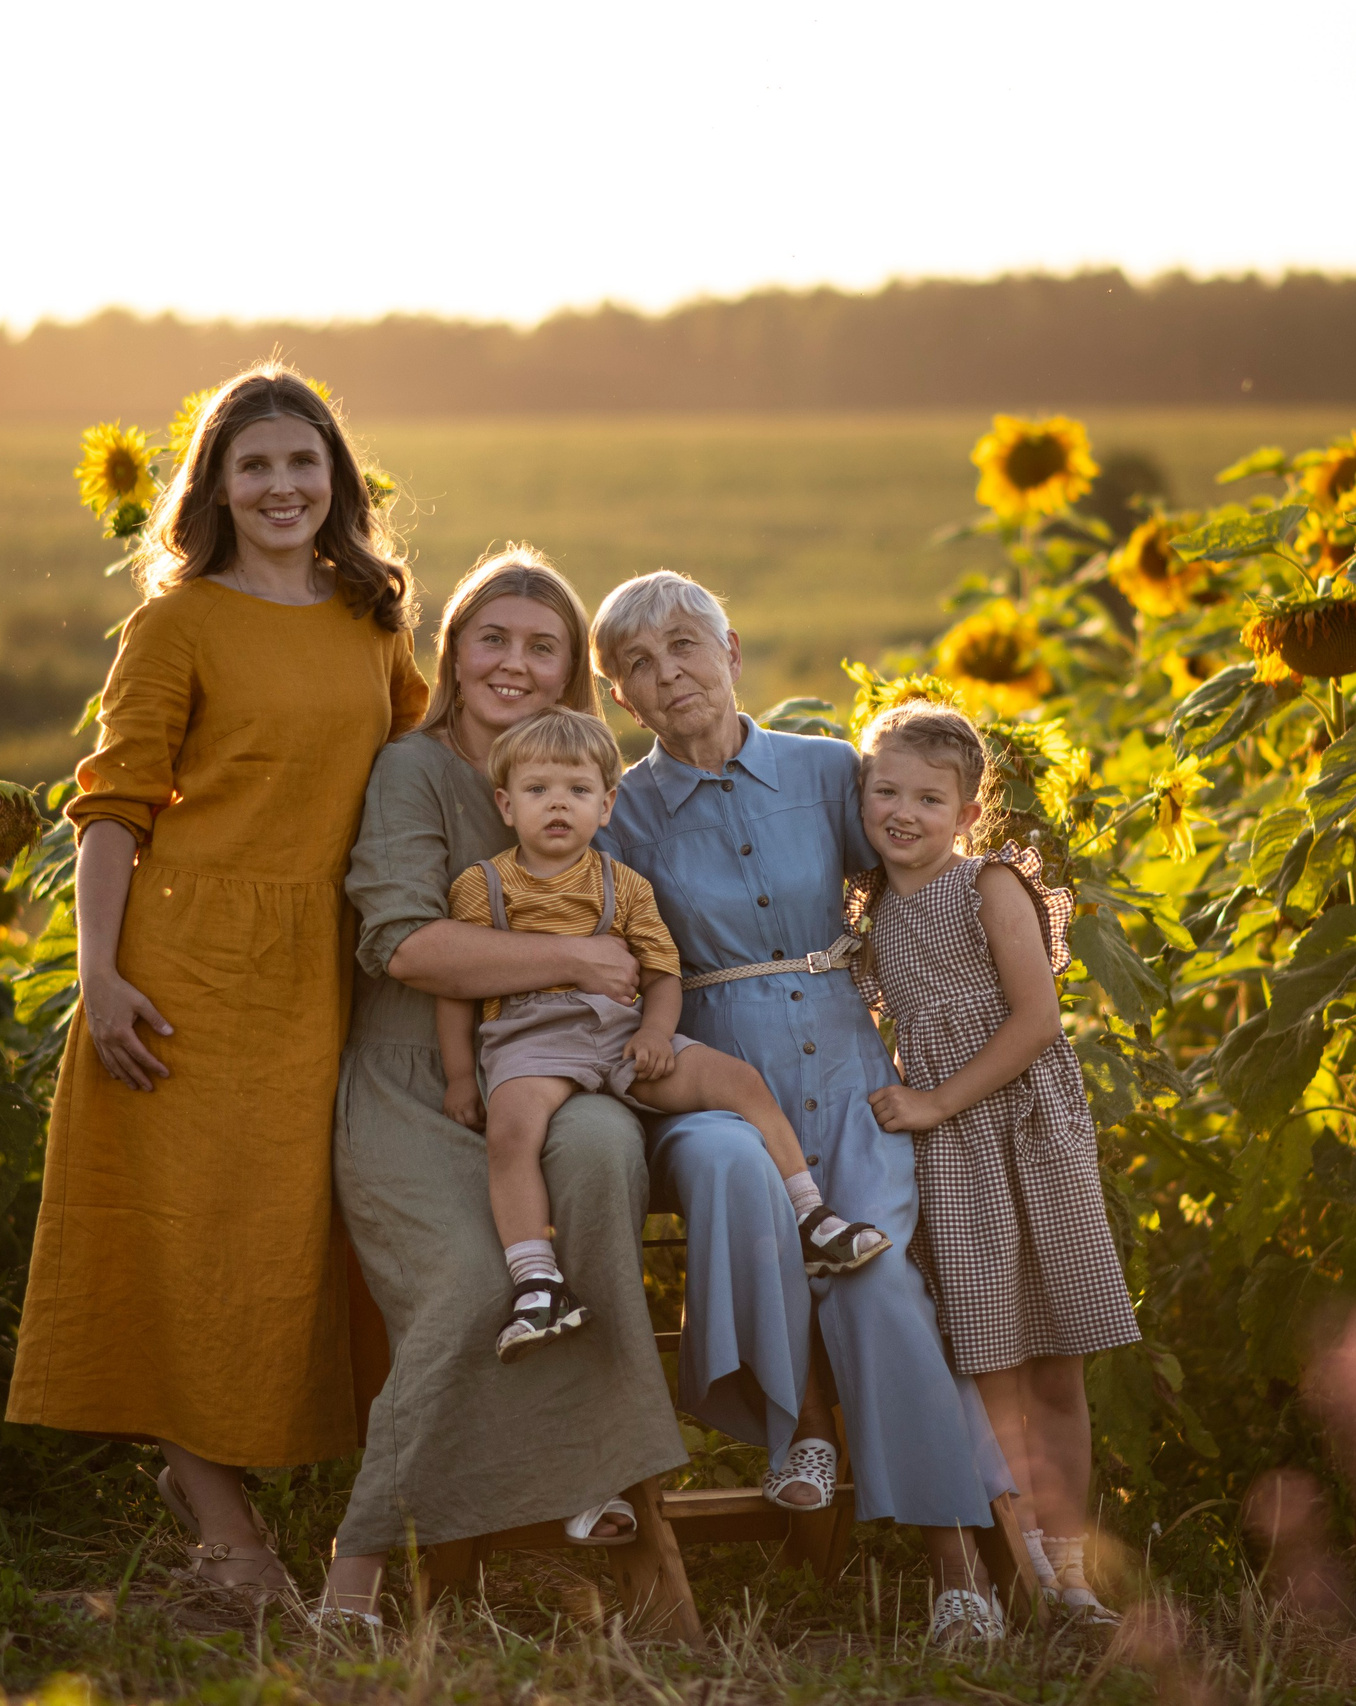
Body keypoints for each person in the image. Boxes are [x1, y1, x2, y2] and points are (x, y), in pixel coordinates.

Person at [6, 366, 426, 1605]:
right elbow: (114, 806)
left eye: (305, 464)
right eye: (256, 466)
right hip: (183, 966)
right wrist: (100, 974)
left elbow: (421, 768)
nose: (284, 486)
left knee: (291, 1238)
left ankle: (234, 1484)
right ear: (218, 486)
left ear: (336, 480)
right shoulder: (177, 623)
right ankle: (227, 1529)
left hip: (328, 965)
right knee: (184, 1243)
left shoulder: (372, 614)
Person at [592, 570, 1015, 1644]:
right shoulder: (623, 808)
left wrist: (986, 1019)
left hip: (849, 1068)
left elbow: (929, 863)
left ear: (731, 647)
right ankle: (792, 1436)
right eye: (637, 664)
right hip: (709, 1073)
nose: (667, 671)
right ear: (622, 698)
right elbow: (616, 954)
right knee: (746, 1186)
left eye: (685, 643)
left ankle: (957, 1572)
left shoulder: (829, 771)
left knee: (873, 1281)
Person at [319, 548, 689, 1625]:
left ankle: (626, 1515)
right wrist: (574, 960)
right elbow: (404, 944)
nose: (514, 665)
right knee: (481, 1285)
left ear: (572, 668)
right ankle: (363, 1555)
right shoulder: (413, 769)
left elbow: (646, 927)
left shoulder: (579, 775)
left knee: (605, 1160)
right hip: (418, 1084)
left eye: (542, 646)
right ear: (454, 650)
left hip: (561, 1070)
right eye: (494, 639)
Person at [435, 707, 888, 1363]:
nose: (557, 807)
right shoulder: (484, 886)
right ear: (505, 804)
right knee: (511, 1133)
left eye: (578, 792)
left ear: (607, 804)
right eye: (537, 792)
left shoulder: (626, 886)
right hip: (530, 1037)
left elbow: (663, 973)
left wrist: (655, 1032)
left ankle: (810, 1214)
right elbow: (458, 985)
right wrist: (458, 1075)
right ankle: (537, 1280)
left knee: (736, 1080)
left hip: (620, 1032)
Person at [848, 701, 1141, 1625]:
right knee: (991, 1358)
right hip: (951, 1161)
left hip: (1025, 1132)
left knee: (1057, 1357)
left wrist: (935, 1098)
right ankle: (1022, 1565)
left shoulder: (990, 886)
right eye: (884, 790)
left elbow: (1038, 1021)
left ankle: (1073, 1565)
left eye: (929, 798)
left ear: (969, 814)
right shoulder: (868, 911)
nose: (903, 812)